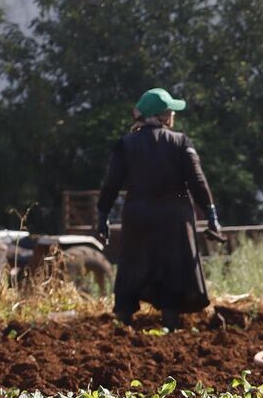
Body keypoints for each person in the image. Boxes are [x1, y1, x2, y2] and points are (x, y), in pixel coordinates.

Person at [96, 88, 227, 329]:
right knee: (173, 265)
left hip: (138, 213)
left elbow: (111, 183)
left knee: (132, 264)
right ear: (164, 116)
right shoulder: (181, 142)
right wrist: (211, 215)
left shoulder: (125, 144)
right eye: (170, 112)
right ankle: (169, 320)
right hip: (174, 215)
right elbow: (197, 181)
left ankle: (123, 319)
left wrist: (102, 215)